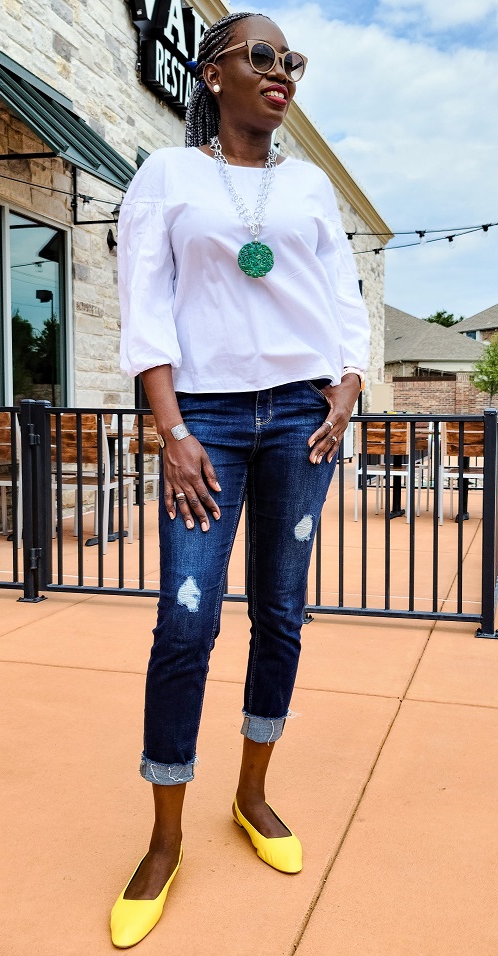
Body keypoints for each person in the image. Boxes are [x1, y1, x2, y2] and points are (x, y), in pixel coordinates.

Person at [110, 10, 369, 948]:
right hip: (206, 423)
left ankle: (252, 795)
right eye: (262, 56)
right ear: (211, 74)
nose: (281, 72)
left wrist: (346, 387)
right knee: (185, 622)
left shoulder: (305, 186)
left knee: (280, 612)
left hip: (303, 418)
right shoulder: (167, 175)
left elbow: (342, 305)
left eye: (291, 61)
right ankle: (163, 838)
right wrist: (170, 427)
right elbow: (146, 306)